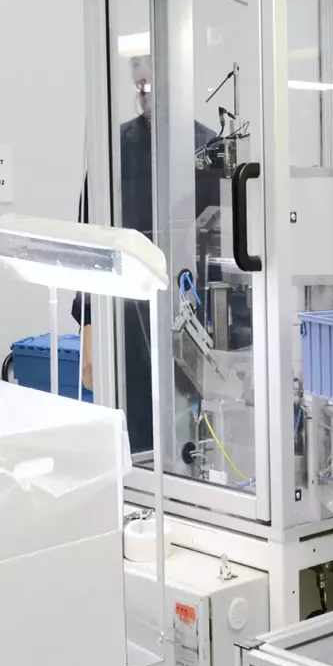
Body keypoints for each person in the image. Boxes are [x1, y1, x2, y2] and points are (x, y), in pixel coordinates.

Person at [75, 54, 221, 455]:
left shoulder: (208, 148)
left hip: (195, 318)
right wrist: (89, 334)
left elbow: (225, 245)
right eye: (139, 87)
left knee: (197, 435)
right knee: (136, 438)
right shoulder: (115, 148)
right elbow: (92, 240)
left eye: (152, 86)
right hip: (126, 320)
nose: (144, 96)